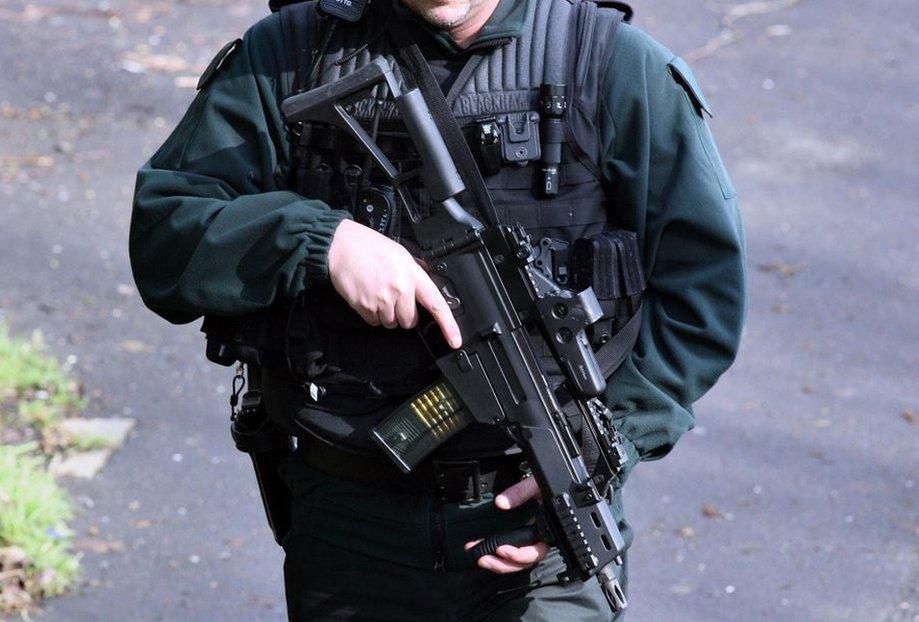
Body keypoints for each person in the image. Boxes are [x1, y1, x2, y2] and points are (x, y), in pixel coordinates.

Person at [129, 0, 746, 617]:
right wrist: (325, 242)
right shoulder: (292, 54)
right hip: (351, 524)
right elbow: (167, 234)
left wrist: (605, 446)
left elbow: (701, 298)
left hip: (542, 529)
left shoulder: (610, 62)